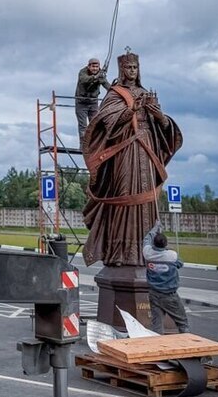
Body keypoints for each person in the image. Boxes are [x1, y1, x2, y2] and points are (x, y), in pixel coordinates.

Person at [81, 52, 183, 267]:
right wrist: (131, 111)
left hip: (147, 151)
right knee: (125, 192)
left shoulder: (146, 93)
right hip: (125, 151)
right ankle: (119, 252)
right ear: (122, 70)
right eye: (129, 68)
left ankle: (147, 251)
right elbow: (107, 122)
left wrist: (159, 117)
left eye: (136, 67)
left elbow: (165, 131)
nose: (132, 71)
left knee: (147, 201)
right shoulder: (115, 94)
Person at [143, 223, 190, 333]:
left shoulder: (148, 253)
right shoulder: (172, 255)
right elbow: (180, 264)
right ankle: (187, 343)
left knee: (157, 323)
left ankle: (157, 346)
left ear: (153, 244)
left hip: (153, 294)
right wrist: (167, 250)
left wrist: (155, 227)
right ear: (165, 244)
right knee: (182, 322)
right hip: (169, 295)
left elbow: (146, 239)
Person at [75, 58, 110, 141]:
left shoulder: (100, 75)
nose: (95, 68)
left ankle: (94, 144)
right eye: (93, 66)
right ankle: (83, 144)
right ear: (88, 67)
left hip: (93, 102)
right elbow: (84, 80)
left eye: (96, 67)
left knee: (95, 124)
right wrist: (95, 77)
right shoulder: (82, 72)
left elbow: (107, 85)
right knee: (83, 126)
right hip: (81, 102)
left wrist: (116, 90)